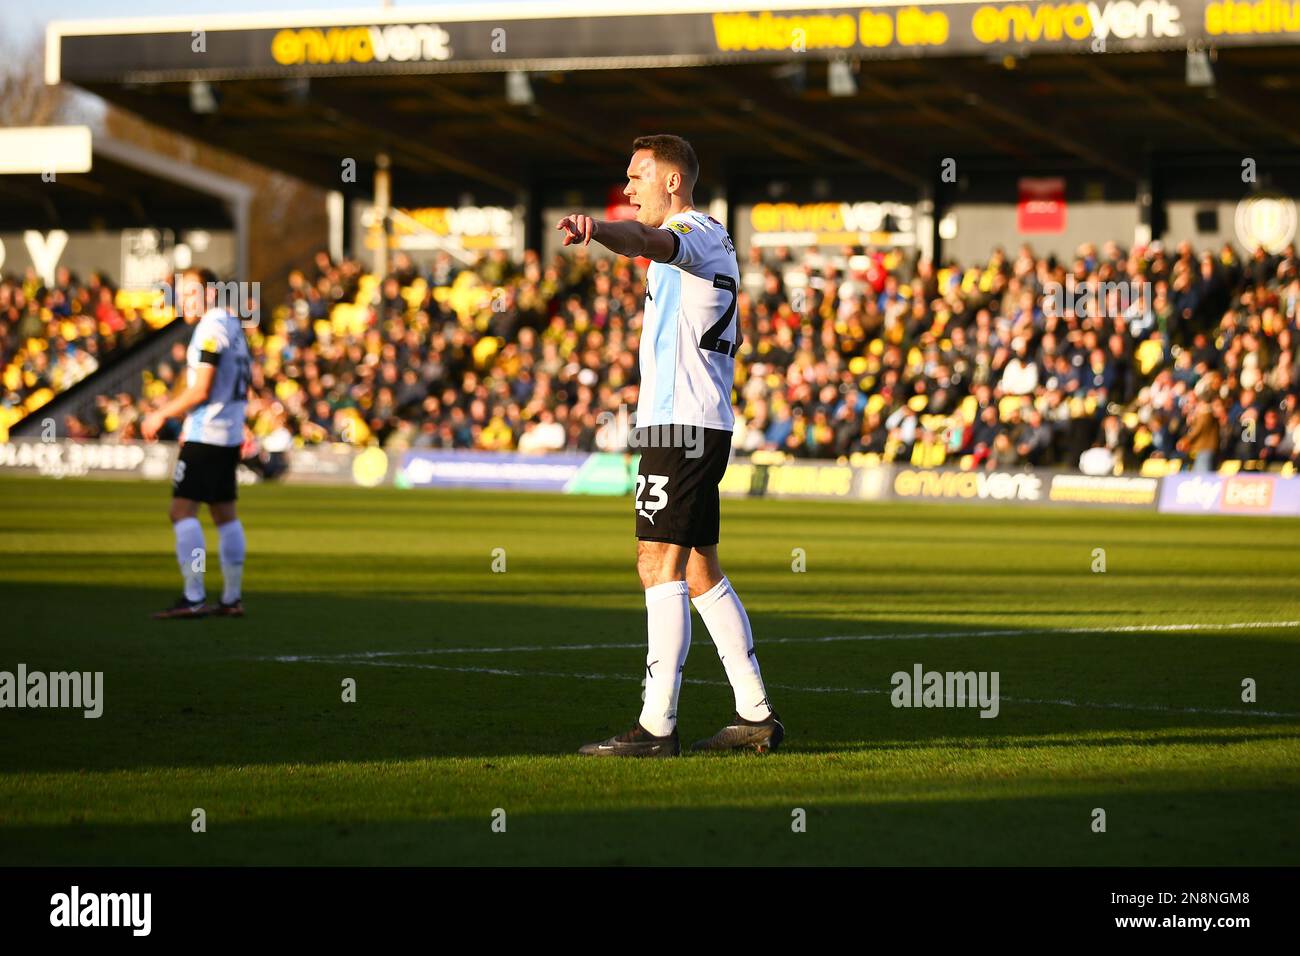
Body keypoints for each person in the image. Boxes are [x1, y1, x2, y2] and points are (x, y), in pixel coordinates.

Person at [557, 135, 782, 756]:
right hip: (688, 422)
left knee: (656, 564)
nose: (627, 189)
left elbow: (646, 241)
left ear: (673, 181)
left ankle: (656, 726)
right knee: (700, 569)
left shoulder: (694, 232)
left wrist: (598, 229)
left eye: (636, 177)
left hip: (682, 426)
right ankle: (755, 715)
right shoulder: (700, 239)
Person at [141, 268, 251, 619]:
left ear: (211, 293)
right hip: (229, 434)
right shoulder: (234, 326)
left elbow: (202, 389)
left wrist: (161, 414)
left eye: (190, 293)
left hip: (207, 434)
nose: (182, 301)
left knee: (181, 512)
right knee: (224, 514)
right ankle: (231, 598)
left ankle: (194, 597)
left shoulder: (211, 329)